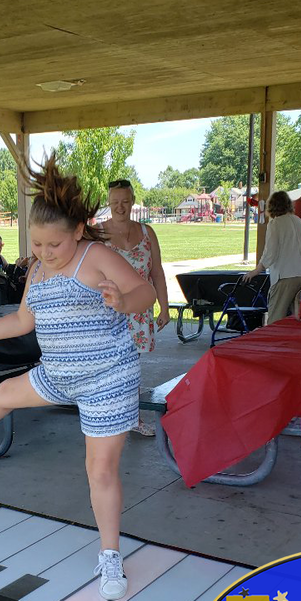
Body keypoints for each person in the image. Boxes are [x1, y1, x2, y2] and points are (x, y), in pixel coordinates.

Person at [0, 154, 156, 600]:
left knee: (99, 470)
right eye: (37, 244)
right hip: (59, 372)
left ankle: (110, 555)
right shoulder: (39, 270)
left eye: (52, 246)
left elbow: (147, 292)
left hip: (107, 378)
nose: (42, 254)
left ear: (77, 232)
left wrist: (122, 300)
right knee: (4, 393)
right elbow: (24, 320)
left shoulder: (96, 256)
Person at [101, 178, 169, 437]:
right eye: (115, 202)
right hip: (108, 312)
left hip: (140, 311)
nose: (120, 207)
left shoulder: (147, 232)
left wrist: (164, 307)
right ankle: (108, 416)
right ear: (109, 202)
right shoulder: (97, 232)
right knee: (111, 367)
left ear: (132, 201)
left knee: (130, 367)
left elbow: (157, 272)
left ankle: (131, 418)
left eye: (125, 201)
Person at [241, 191, 301, 324]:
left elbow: (270, 252)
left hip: (286, 275)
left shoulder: (275, 224)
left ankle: (274, 343)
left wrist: (256, 270)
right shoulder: (299, 221)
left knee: (276, 317)